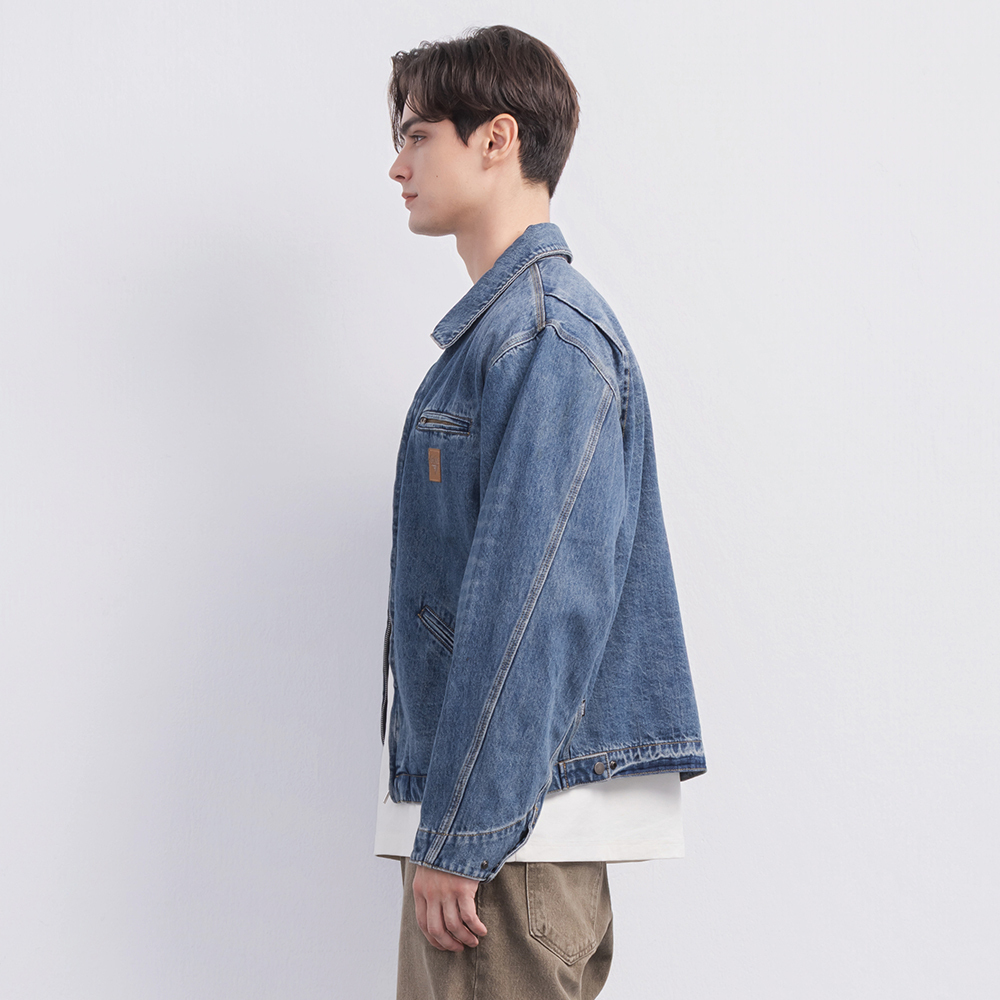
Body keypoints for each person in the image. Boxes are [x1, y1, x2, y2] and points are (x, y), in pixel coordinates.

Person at [375, 25, 705, 1000]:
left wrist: (463, 833)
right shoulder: (511, 336)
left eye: (417, 135)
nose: (396, 166)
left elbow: (535, 605)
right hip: (501, 833)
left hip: (506, 845)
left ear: (497, 138)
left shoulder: (545, 337)